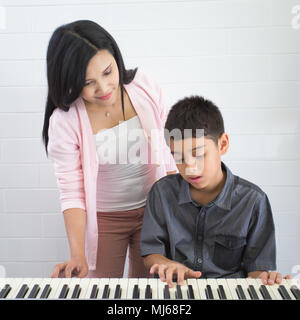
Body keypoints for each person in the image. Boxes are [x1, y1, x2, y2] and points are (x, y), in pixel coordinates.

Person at [42, 20, 177, 278]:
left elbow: (171, 153)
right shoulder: (65, 120)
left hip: (154, 212)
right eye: (88, 82)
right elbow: (72, 192)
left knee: (147, 292)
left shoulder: (144, 85)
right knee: (102, 293)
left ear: (116, 57)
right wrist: (78, 254)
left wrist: (176, 217)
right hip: (105, 221)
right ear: (69, 80)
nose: (103, 88)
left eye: (107, 72)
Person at [140, 95, 291, 287]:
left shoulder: (253, 200)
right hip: (176, 290)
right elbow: (151, 252)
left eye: (199, 154)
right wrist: (165, 264)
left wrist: (265, 279)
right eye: (179, 157)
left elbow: (257, 268)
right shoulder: (161, 193)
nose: (190, 167)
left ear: (223, 144)